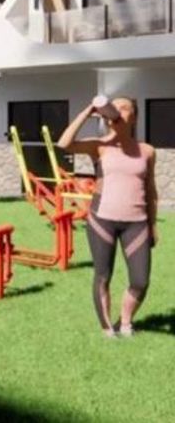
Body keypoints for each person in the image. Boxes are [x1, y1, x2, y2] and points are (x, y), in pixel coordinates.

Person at [57, 97, 157, 338]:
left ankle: (126, 322)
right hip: (102, 221)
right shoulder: (99, 146)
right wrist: (88, 110)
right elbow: (64, 143)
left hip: (137, 223)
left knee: (140, 280)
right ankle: (107, 329)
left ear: (134, 117)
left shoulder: (147, 151)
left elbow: (151, 190)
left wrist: (152, 225)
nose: (118, 111)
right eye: (115, 107)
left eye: (124, 108)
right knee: (103, 276)